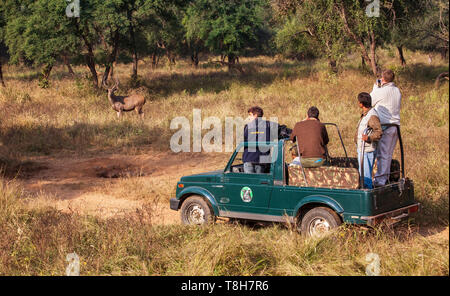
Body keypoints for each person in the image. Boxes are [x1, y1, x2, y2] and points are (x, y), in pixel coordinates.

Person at [370, 69, 401, 187]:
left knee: (382, 154)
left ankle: (380, 181)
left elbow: (370, 100)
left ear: (383, 79)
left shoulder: (382, 91)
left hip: (386, 126)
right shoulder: (397, 90)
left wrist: (376, 87)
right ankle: (384, 178)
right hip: (395, 126)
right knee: (388, 154)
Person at [355, 92, 382, 189]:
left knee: (366, 177)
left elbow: (379, 132)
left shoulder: (372, 116)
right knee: (363, 175)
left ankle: (368, 197)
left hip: (367, 150)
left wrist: (369, 138)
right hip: (363, 149)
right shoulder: (366, 114)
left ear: (361, 104)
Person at [243, 106, 275, 174]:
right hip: (262, 160)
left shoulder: (247, 127)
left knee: (250, 182)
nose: (248, 117)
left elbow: (244, 140)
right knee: (259, 182)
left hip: (249, 158)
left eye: (250, 115)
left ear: (255, 115)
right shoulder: (269, 125)